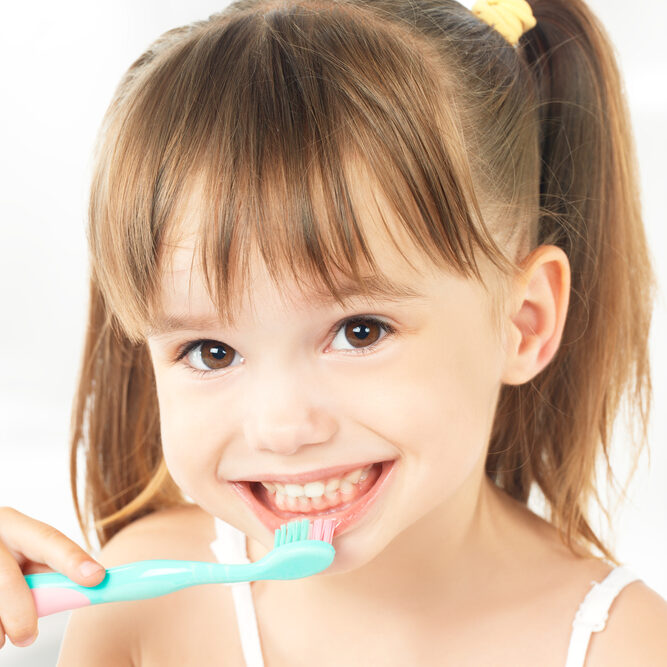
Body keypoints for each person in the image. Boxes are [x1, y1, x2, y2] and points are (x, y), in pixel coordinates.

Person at [1, 0, 665, 664]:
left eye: (359, 331)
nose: (282, 427)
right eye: (212, 351)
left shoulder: (624, 646)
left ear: (523, 323)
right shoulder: (146, 608)